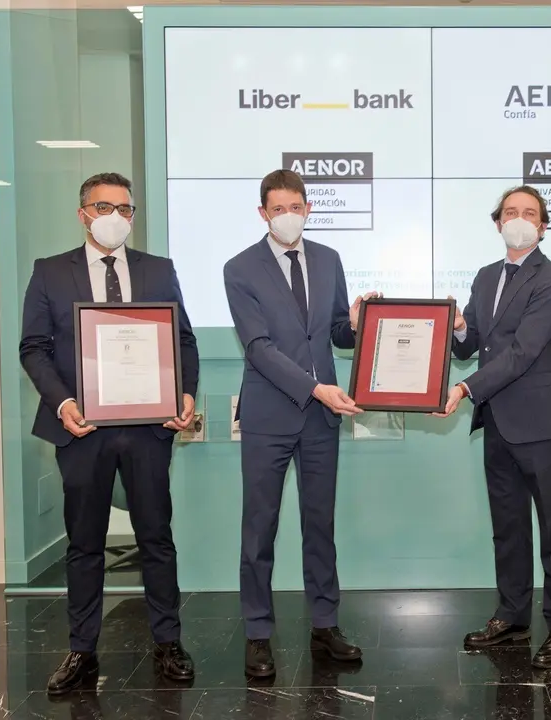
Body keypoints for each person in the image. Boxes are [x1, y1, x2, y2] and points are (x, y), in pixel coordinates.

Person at [19, 172, 200, 695]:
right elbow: (33, 348)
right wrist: (64, 402)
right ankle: (82, 650)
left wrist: (184, 394)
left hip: (147, 429)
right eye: (104, 207)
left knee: (156, 538)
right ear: (83, 214)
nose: (116, 217)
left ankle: (168, 642)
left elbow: (182, 342)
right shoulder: (50, 272)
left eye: (125, 209)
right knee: (84, 543)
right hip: (82, 429)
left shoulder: (158, 270)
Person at [223, 169, 379, 679]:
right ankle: (257, 633)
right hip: (271, 414)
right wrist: (315, 388)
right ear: (263, 212)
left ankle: (325, 623)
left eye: (297, 205)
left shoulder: (330, 260)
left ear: (308, 207)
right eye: (278, 207)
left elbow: (335, 334)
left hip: (320, 418)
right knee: (259, 527)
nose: (288, 214)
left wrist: (355, 324)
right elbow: (258, 348)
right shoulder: (239, 268)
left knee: (320, 524)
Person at [434, 185, 551, 669]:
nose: (519, 219)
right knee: (509, 526)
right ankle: (512, 615)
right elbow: (472, 342)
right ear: (498, 223)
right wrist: (456, 327)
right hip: (497, 420)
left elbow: (522, 352)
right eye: (510, 212)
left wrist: (462, 390)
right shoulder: (484, 276)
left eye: (530, 213)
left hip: (540, 422)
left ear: (543, 226)